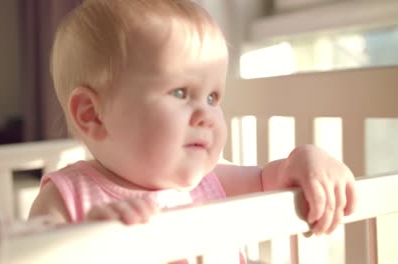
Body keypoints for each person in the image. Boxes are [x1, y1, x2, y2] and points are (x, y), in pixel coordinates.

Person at [29, 0, 356, 252]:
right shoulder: (66, 197)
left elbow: (278, 178)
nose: (206, 115)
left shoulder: (213, 182)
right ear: (93, 115)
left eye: (213, 98)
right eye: (181, 92)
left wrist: (306, 159)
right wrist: (81, 244)